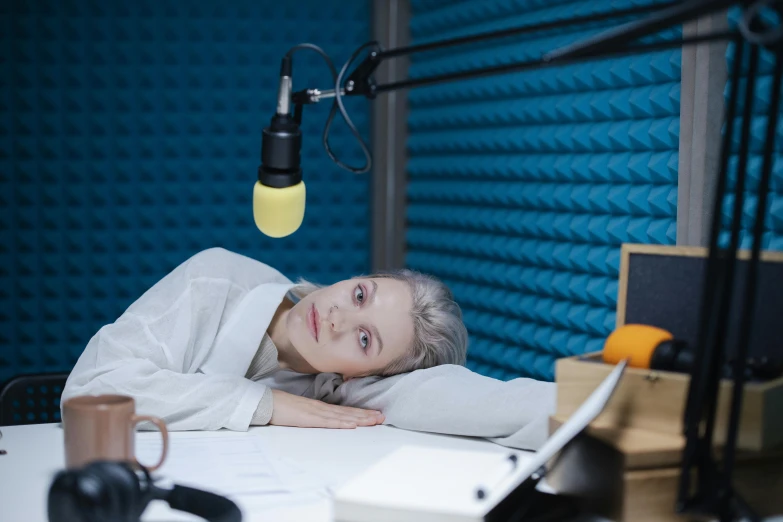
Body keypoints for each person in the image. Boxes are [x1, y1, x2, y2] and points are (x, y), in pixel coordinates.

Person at [62, 247, 469, 432]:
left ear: (361, 378)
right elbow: (90, 391)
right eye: (360, 294)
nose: (336, 316)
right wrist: (262, 404)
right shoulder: (215, 278)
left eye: (364, 340)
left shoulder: (332, 393)